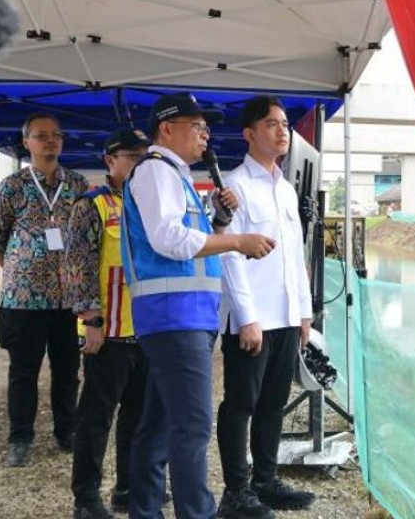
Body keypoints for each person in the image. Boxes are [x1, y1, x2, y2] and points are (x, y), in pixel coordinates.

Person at [121, 92, 275, 519]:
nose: (206, 134)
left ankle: (146, 511)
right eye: (197, 126)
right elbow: (169, 240)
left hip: (183, 316)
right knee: (191, 426)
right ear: (167, 129)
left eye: (207, 127)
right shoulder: (155, 171)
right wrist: (236, 240)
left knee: (157, 426)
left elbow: (190, 240)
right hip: (174, 316)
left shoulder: (175, 174)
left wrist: (219, 220)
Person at [216, 96, 315, 518]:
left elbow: (295, 255)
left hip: (285, 315)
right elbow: (229, 255)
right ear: (249, 134)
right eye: (272, 124)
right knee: (241, 403)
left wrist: (304, 313)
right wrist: (246, 318)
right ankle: (235, 492)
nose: (282, 131)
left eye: (285, 124)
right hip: (252, 320)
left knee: (274, 401)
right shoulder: (234, 187)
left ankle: (265, 480)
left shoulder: (287, 190)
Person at [0, 113, 89, 467]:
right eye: (41, 136)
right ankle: (20, 438)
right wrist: (21, 271)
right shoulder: (12, 187)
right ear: (26, 141)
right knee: (23, 373)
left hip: (67, 300)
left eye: (56, 135)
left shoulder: (76, 184)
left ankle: (67, 431)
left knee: (67, 370)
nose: (50, 141)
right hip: (23, 301)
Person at [66, 129, 152, 519]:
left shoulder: (152, 203)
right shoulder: (92, 205)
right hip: (109, 333)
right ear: (110, 160)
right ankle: (86, 498)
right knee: (95, 419)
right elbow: (77, 267)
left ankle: (128, 488)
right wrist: (91, 320)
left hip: (148, 330)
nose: (139, 163)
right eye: (131, 156)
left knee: (137, 416)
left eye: (144, 156)